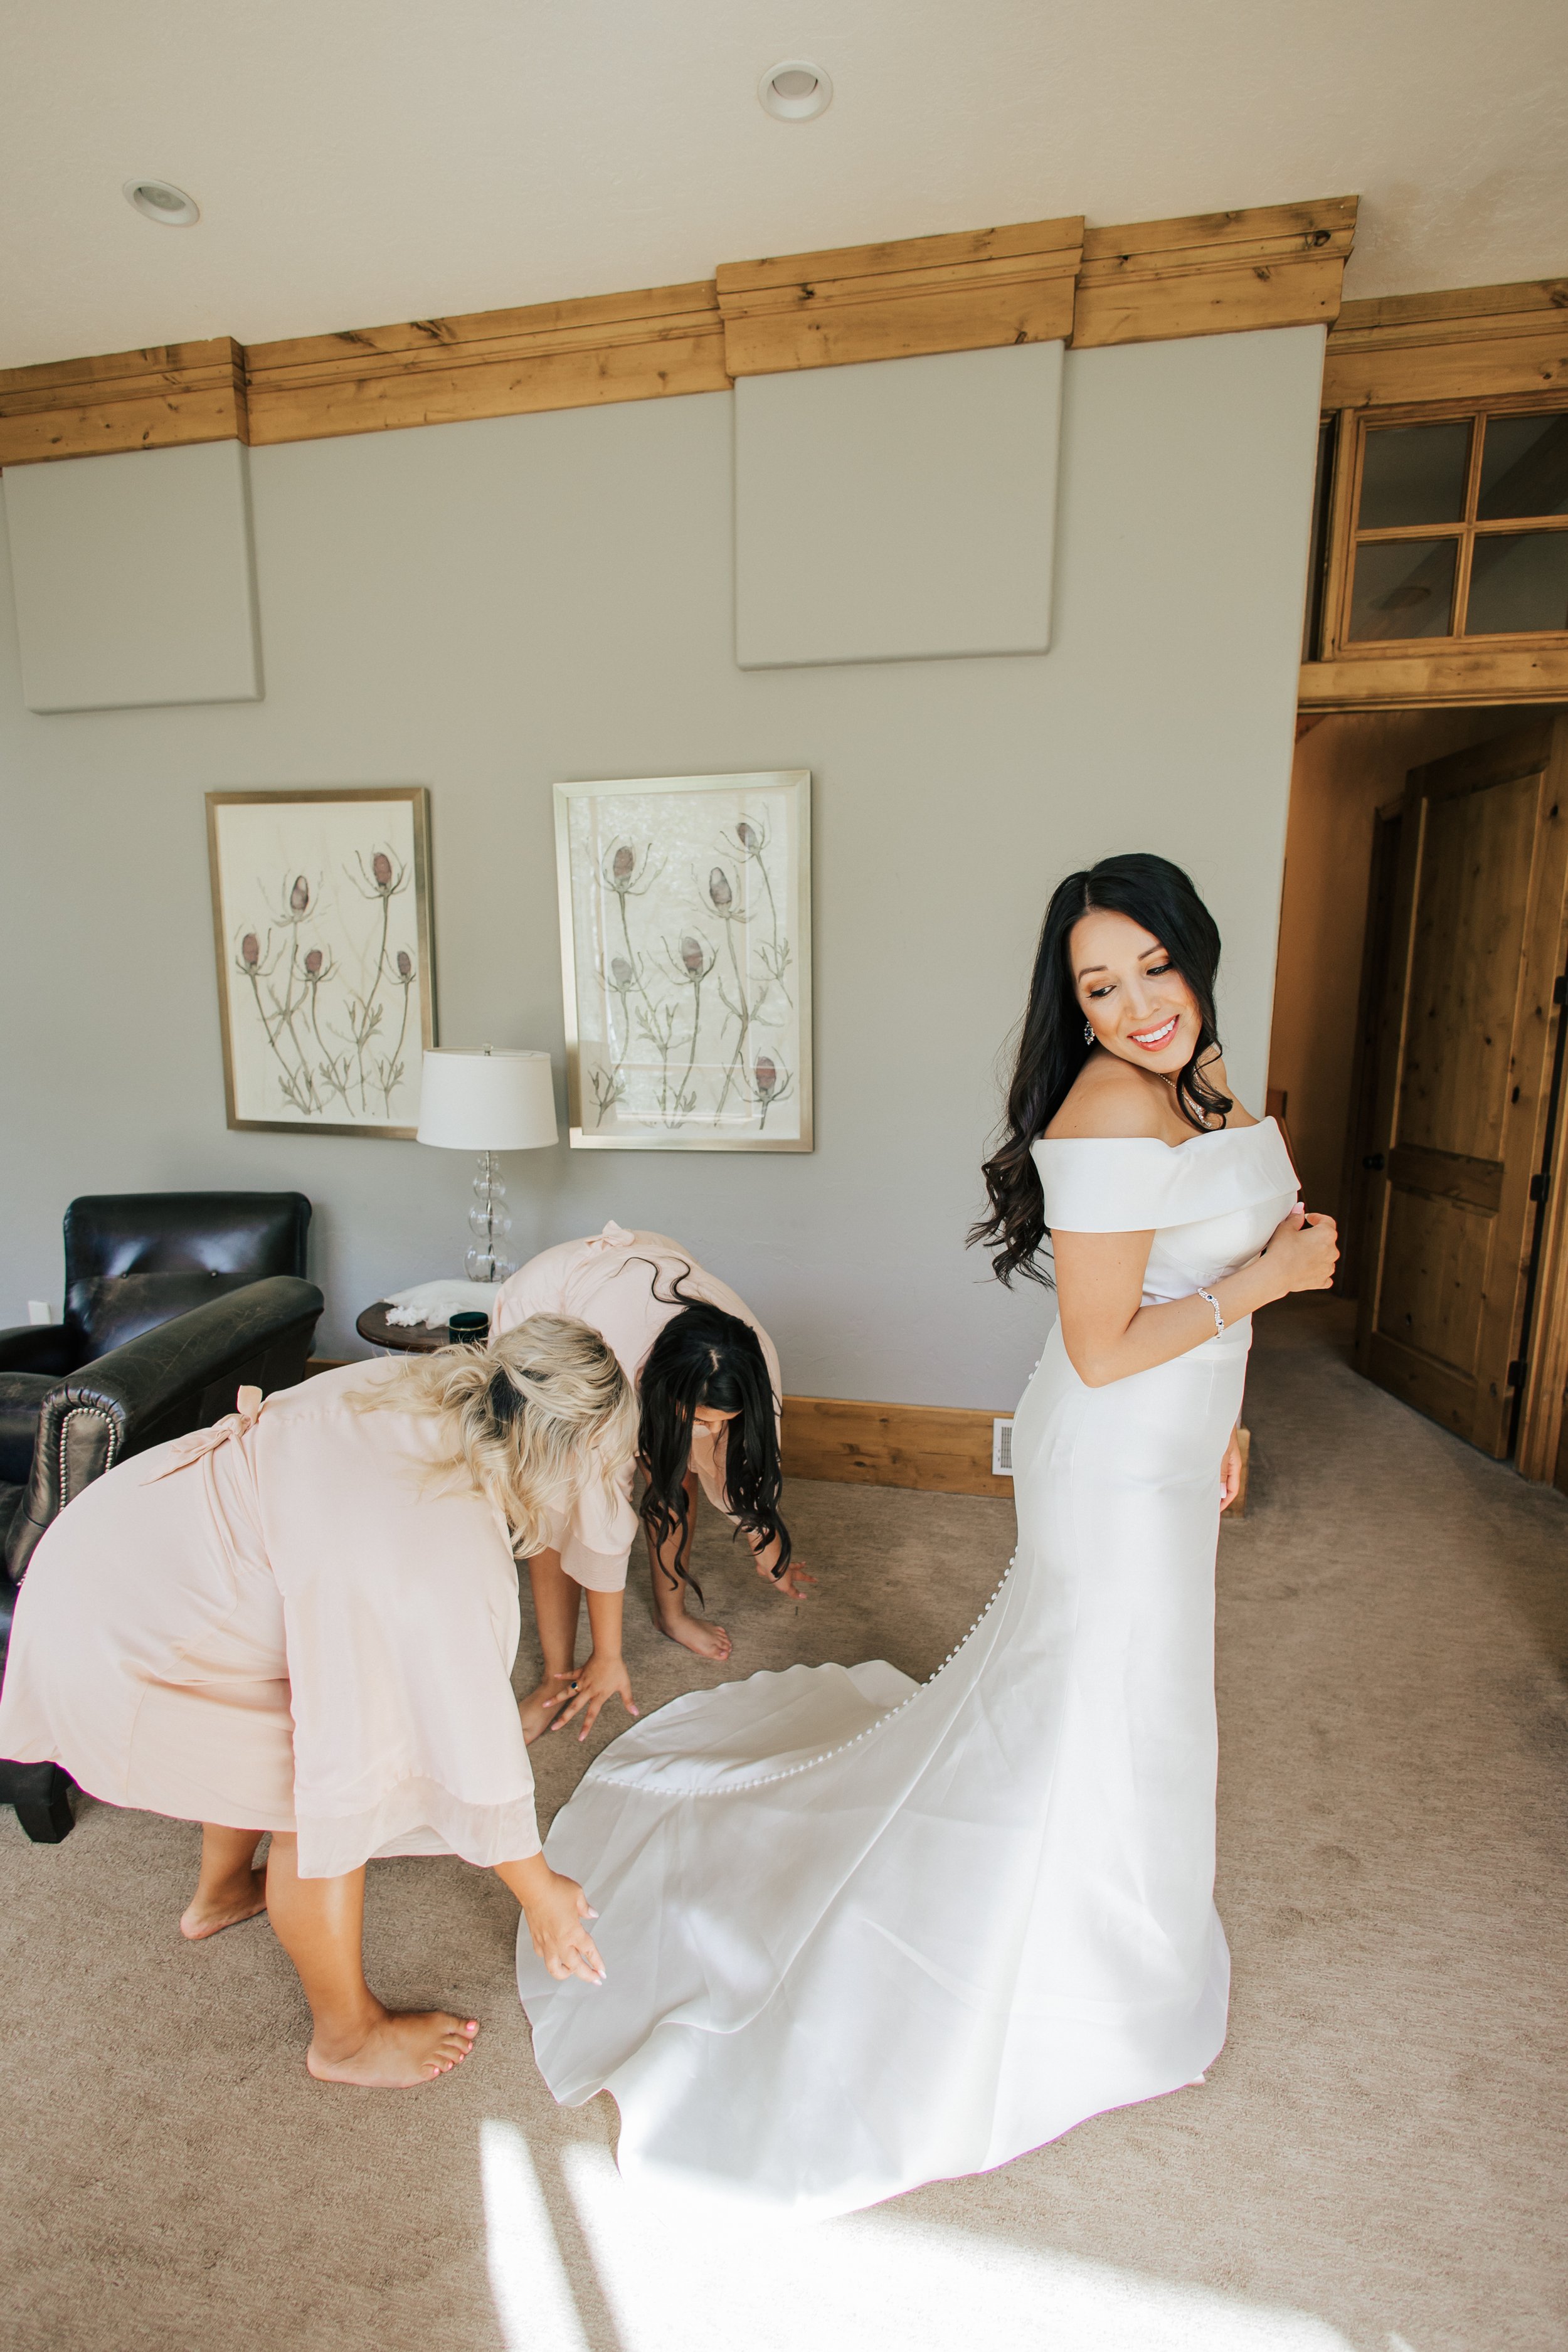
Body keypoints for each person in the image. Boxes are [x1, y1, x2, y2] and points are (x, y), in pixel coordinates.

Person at [512, 853, 1338, 2218]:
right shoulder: (1103, 1110)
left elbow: (1189, 1287)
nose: (1137, 1003)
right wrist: (1268, 1280)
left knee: (1140, 1698)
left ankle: (1119, 1938)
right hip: (1111, 1451)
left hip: (1173, 1434)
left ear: (1193, 957)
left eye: (1153, 968)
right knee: (1100, 1691)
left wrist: (1229, 1417)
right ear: (1069, 1006)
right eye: (1099, 985)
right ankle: (1056, 1952)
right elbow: (1099, 1338)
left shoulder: (1201, 1086)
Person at [0, 1316, 637, 2089]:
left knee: (291, 1711)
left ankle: (221, 1893)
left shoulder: (416, 1387)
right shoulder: (437, 1547)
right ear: (557, 1450)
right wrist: (544, 1894)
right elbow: (453, 1730)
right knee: (336, 1788)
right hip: (123, 1649)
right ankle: (347, 2038)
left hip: (108, 1551)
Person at [487, 1224, 810, 1744]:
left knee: (673, 1470)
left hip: (642, 1280)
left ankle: (671, 1612)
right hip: (553, 1317)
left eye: (723, 1419)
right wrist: (607, 1655)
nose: (714, 1433)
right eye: (703, 1417)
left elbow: (736, 1461)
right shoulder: (604, 1383)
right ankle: (555, 1678)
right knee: (553, 1506)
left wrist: (763, 1534)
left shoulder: (751, 1361)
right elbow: (603, 1524)